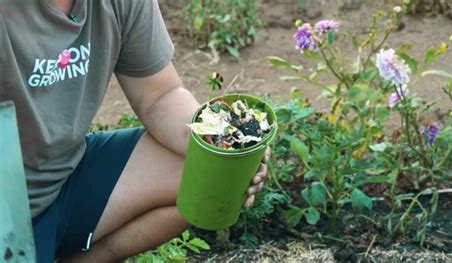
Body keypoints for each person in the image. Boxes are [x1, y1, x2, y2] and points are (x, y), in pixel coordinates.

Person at [0, 0, 269, 262]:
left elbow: (160, 95)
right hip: (7, 204)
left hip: (66, 172)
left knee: (207, 171)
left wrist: (228, 145)